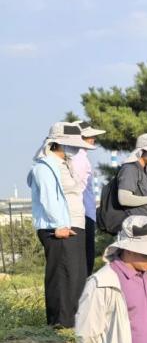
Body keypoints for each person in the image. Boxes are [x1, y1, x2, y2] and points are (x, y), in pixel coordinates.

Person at [27, 123, 96, 327]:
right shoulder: (45, 166)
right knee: (62, 274)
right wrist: (59, 225)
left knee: (75, 273)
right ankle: (60, 322)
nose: (74, 149)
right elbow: (49, 198)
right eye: (70, 144)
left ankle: (73, 320)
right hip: (59, 227)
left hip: (74, 223)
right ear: (57, 143)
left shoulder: (64, 164)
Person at [70, 120, 106, 275]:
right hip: (83, 215)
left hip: (86, 213)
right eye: (88, 136)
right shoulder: (78, 158)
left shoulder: (79, 157)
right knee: (86, 260)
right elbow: (75, 189)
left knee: (86, 259)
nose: (93, 139)